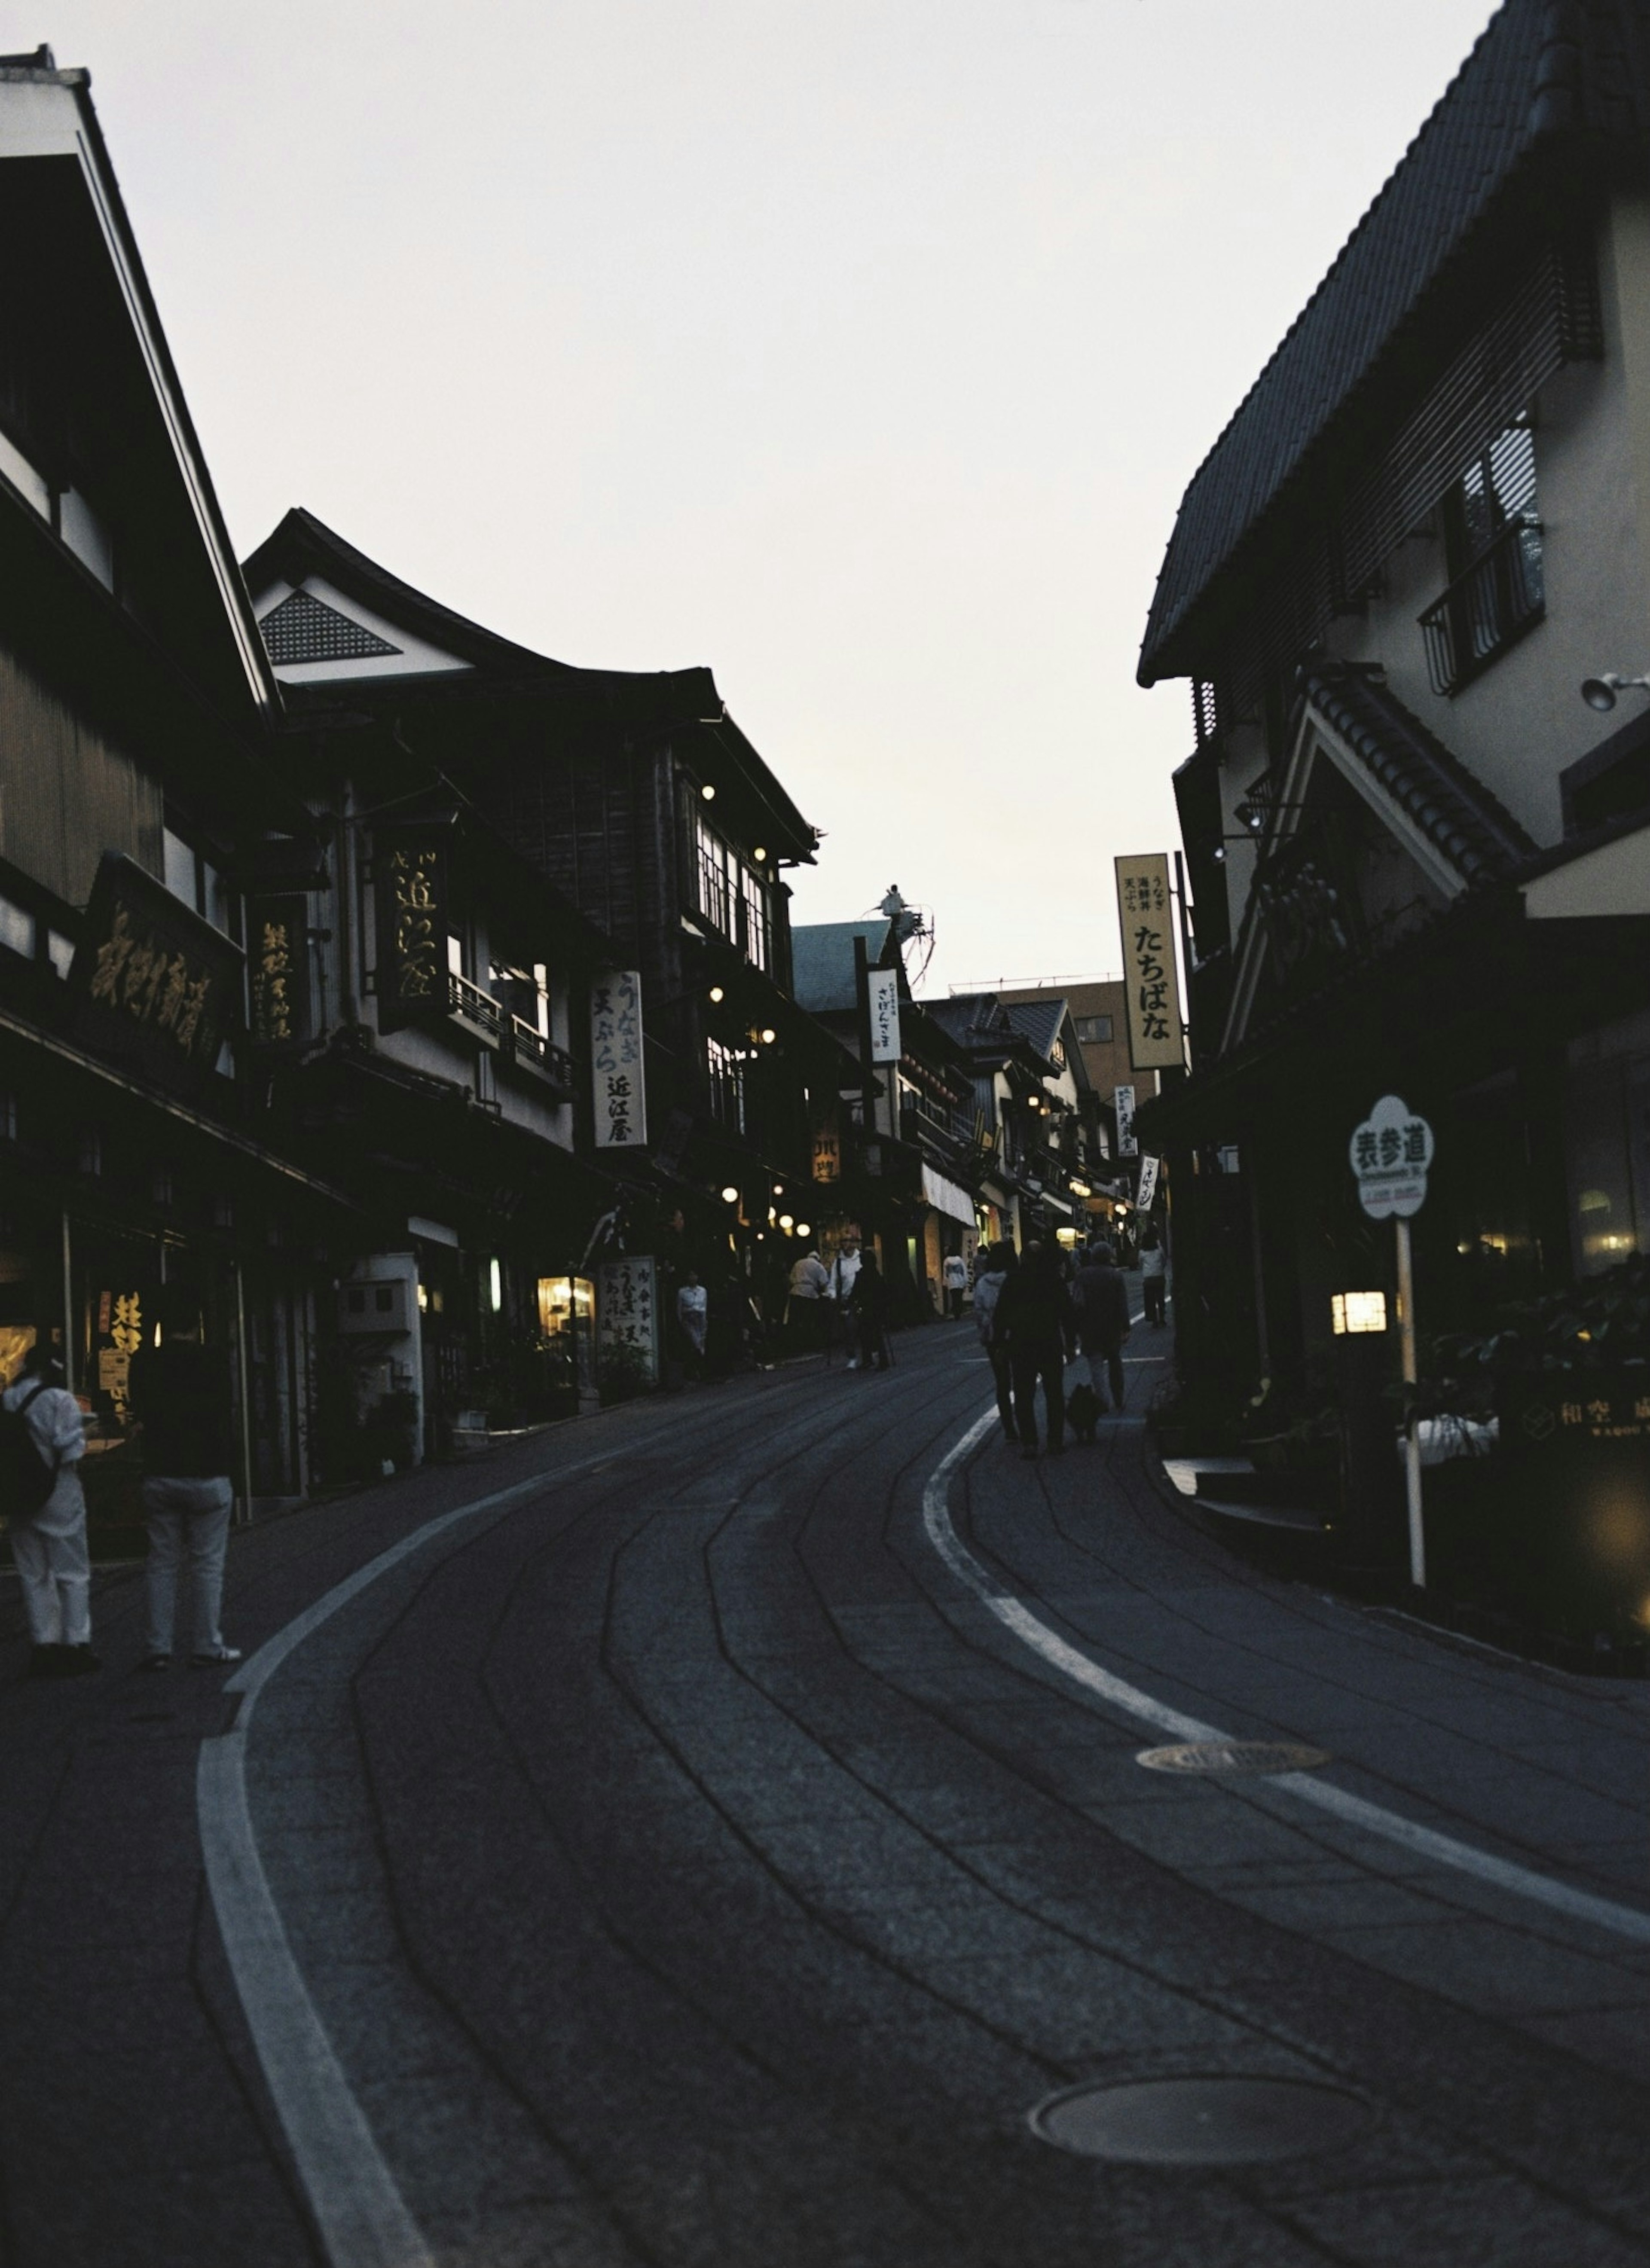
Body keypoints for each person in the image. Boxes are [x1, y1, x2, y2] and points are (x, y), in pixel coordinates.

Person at [127, 1291, 241, 1671]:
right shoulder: (214, 1360)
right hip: (208, 1471)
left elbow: (139, 1410)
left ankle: (157, 1648)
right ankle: (206, 1645)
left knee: (161, 1562)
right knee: (207, 1564)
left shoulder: (143, 1362)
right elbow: (226, 1408)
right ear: (197, 1325)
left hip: (160, 1471)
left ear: (161, 1326)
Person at [3, 1338, 96, 1677]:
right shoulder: (60, 1400)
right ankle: (76, 1642)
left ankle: (45, 1643)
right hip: (58, 1491)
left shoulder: (9, 1398)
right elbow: (70, 1450)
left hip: (18, 1495)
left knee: (34, 1573)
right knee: (71, 1571)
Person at [994, 1239, 1072, 1458]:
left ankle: (1030, 1443)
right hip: (1050, 1341)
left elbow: (1001, 1314)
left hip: (1021, 1343)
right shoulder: (1053, 1279)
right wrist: (1071, 1342)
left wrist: (1000, 1343)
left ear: (1024, 1257)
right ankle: (1055, 1441)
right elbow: (1067, 1311)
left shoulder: (1014, 1280)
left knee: (1023, 1395)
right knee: (1054, 1393)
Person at [1071, 1241, 1132, 1413]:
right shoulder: (1116, 1276)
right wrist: (1126, 1326)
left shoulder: (1082, 1276)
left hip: (1089, 1327)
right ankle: (1118, 1397)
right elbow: (1122, 1304)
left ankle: (1103, 1400)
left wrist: (1075, 1328)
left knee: (1096, 1366)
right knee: (1115, 1362)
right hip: (1112, 1326)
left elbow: (1077, 1303)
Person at [971, 1244, 1018, 1441]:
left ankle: (1009, 1429)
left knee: (1002, 1383)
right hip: (1017, 1335)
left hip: (994, 1337)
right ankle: (1025, 1423)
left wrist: (986, 1330)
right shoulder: (1016, 1280)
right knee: (1023, 1380)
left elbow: (979, 1311)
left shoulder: (983, 1283)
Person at [846, 1250, 892, 1371]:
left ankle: (868, 1360)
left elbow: (856, 1292)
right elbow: (884, 1292)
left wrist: (849, 1302)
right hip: (877, 1309)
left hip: (866, 1308)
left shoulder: (861, 1275)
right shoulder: (877, 1275)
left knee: (864, 1335)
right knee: (877, 1335)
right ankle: (883, 1360)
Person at [825, 1236, 863, 1367]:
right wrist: (833, 1295)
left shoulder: (861, 1259)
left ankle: (869, 1353)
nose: (845, 1245)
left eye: (848, 1242)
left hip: (862, 1298)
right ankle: (852, 1356)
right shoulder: (839, 1262)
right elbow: (833, 1282)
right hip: (847, 1300)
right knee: (849, 1328)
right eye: (843, 1243)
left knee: (866, 1327)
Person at [787, 1245, 831, 1353]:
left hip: (795, 1293)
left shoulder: (798, 1263)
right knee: (809, 1321)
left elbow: (791, 1279)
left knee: (796, 1321)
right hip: (809, 1295)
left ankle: (795, 1345)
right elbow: (824, 1283)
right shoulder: (818, 1266)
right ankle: (809, 1344)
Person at [676, 1271, 708, 1377]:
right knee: (696, 1343)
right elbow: (679, 1308)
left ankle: (699, 1369)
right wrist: (681, 1321)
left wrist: (705, 1320)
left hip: (701, 1318)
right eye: (690, 1275)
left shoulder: (703, 1291)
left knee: (701, 1341)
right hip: (689, 1318)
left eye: (695, 1275)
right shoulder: (682, 1292)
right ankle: (698, 1367)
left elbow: (705, 1306)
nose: (693, 1277)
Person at [1140, 1223, 1167, 1327]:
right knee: (1160, 1298)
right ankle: (1162, 1318)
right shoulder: (1159, 1249)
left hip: (1148, 1278)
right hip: (1159, 1276)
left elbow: (1140, 1263)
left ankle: (1154, 1320)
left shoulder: (1142, 1252)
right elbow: (1164, 1260)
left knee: (1150, 1300)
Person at [941, 1251, 969, 1321]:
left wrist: (945, 1282)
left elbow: (945, 1273)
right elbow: (964, 1271)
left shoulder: (946, 1261)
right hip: (960, 1282)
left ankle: (956, 1313)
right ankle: (959, 1312)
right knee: (959, 1298)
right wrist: (966, 1281)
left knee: (954, 1298)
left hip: (952, 1282)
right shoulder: (960, 1260)